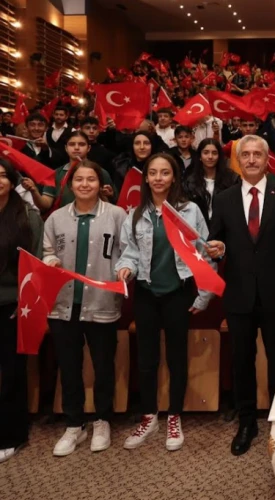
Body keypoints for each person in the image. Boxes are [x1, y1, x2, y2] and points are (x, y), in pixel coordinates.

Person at [205, 135, 275, 457]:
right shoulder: (224, 199)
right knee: (241, 360)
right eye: (245, 155)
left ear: (267, 160)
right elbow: (217, 242)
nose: (251, 160)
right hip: (238, 293)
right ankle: (247, 422)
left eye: (257, 155)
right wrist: (217, 250)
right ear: (238, 161)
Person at [116, 153, 214, 452]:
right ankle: (149, 416)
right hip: (146, 293)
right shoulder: (135, 214)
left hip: (178, 292)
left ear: (174, 178)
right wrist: (125, 268)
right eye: (153, 173)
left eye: (165, 173)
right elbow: (129, 252)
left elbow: (205, 253)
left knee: (176, 356)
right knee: (146, 359)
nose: (158, 178)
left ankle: (174, 417)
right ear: (146, 178)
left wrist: (204, 295)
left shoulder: (190, 211)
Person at [43, 161, 127, 457]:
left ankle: (102, 420)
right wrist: (50, 260)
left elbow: (127, 251)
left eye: (91, 179)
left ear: (100, 184)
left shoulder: (116, 215)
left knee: (103, 365)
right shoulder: (56, 218)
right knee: (69, 367)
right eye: (79, 179)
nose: (85, 184)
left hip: (101, 303)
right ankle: (74, 423)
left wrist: (123, 270)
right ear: (70, 184)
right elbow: (47, 250)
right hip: (63, 306)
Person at [0, 160, 43, 464]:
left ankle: (11, 435)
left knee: (12, 372)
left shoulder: (28, 215)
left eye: (3, 175)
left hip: (14, 305)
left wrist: (26, 301)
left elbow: (36, 263)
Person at [21, 131, 115, 213]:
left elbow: (110, 204)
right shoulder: (56, 174)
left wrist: (109, 196)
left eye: (81, 144)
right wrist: (34, 191)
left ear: (89, 148)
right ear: (66, 148)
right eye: (72, 144)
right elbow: (45, 205)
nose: (76, 148)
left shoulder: (100, 172)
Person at [182, 138, 239, 226]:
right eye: (206, 153)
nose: (210, 157)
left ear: (219, 156)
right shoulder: (190, 181)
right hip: (199, 226)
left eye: (214, 153)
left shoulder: (232, 178)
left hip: (225, 226)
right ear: (200, 156)